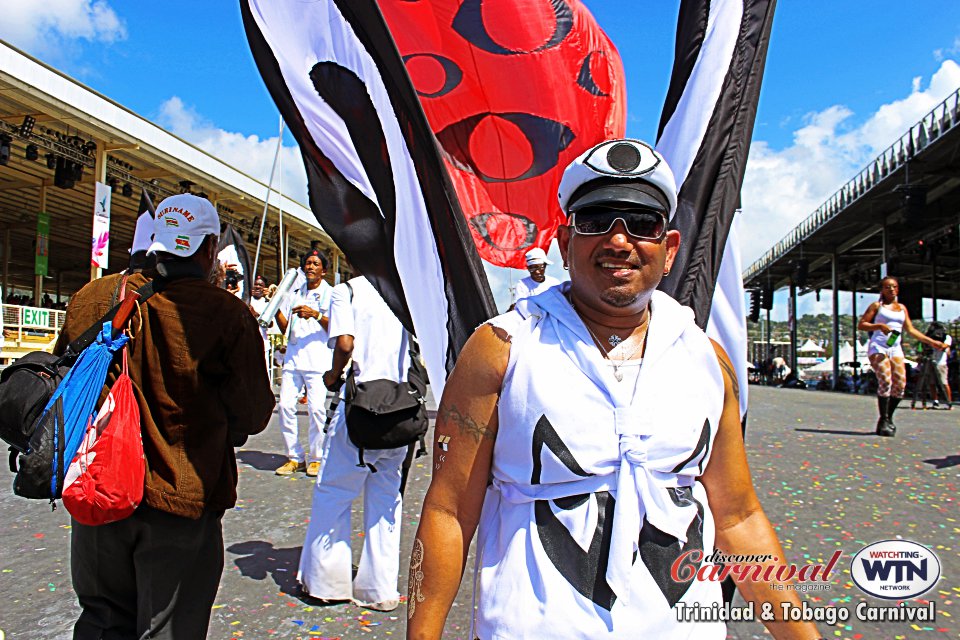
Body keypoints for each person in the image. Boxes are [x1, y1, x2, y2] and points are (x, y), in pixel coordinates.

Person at [407, 139, 820, 639]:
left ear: (669, 250)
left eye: (641, 224)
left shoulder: (707, 362)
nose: (618, 240)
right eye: (596, 219)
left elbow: (738, 515)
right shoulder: (502, 349)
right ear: (564, 243)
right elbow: (449, 510)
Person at [56, 193, 275, 639]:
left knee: (101, 621)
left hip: (100, 496)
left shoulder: (95, 296)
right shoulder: (226, 314)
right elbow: (252, 414)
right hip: (180, 499)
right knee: (170, 629)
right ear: (210, 249)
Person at [297, 275, 411, 611]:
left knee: (334, 490)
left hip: (360, 406)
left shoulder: (346, 290)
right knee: (387, 498)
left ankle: (326, 583)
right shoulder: (405, 289)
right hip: (400, 406)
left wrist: (332, 376)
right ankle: (379, 589)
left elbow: (345, 343)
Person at [857, 276, 947, 436]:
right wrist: (878, 326)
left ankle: (887, 417)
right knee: (885, 380)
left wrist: (932, 342)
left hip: (895, 347)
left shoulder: (902, 308)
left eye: (894, 287)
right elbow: (862, 324)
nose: (891, 289)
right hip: (879, 346)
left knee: (900, 385)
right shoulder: (877, 306)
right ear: (882, 290)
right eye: (887, 287)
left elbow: (911, 330)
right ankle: (884, 419)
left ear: (897, 289)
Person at [273, 250, 334, 477]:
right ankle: (294, 457)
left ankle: (317, 458)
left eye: (315, 264)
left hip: (318, 360)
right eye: (307, 263)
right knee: (286, 406)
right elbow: (285, 327)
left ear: (323, 270)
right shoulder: (296, 292)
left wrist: (316, 315)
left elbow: (336, 326)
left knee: (316, 409)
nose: (310, 267)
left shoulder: (330, 294)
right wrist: (276, 305)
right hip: (293, 358)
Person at [248, 274, 273, 371]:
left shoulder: (267, 303)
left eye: (260, 285)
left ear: (264, 287)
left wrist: (255, 314)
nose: (257, 287)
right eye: (255, 284)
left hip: (262, 344)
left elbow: (270, 324)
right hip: (247, 343)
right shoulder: (247, 298)